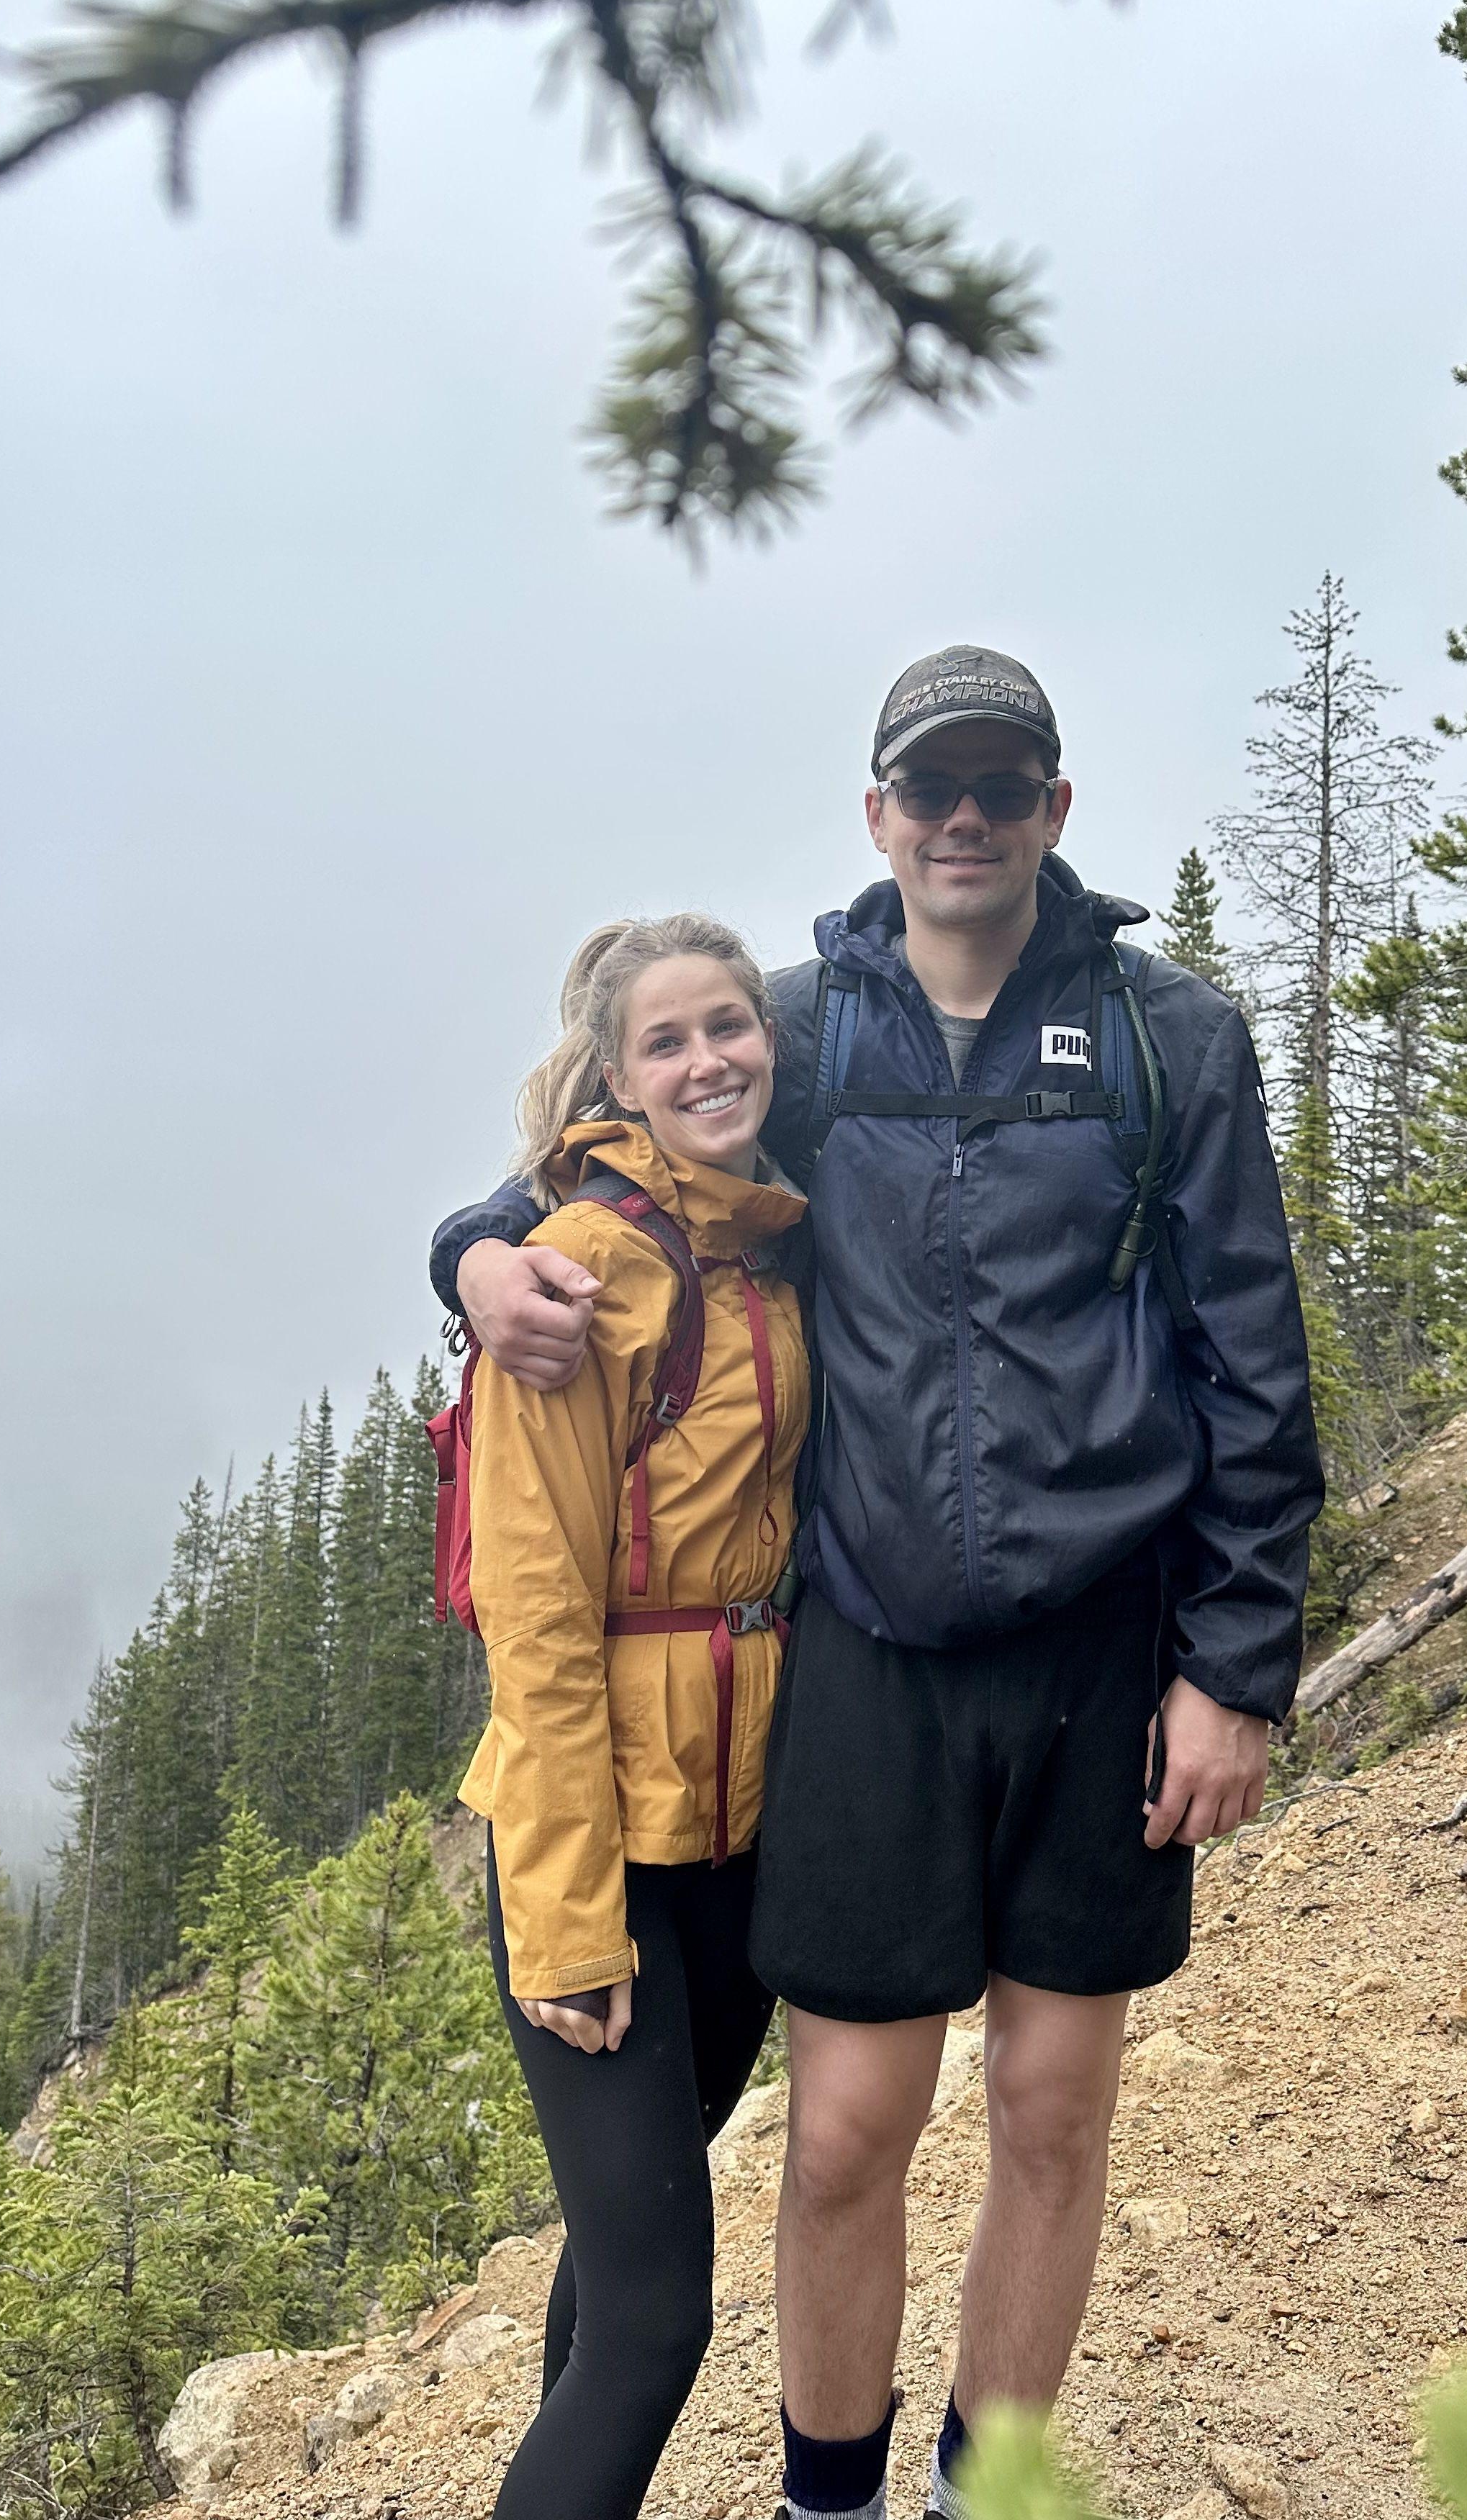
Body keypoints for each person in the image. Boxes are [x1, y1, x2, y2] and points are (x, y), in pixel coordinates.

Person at [433, 648, 1325, 2520]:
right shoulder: (803, 1026)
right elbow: (614, 1142)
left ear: (1056, 811)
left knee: (1051, 2114)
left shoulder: (1172, 1038)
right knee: (843, 2137)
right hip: (868, 1663)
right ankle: (830, 2497)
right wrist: (471, 1259)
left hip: (1106, 1661)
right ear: (881, 819)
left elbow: (1255, 1355)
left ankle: (982, 2491)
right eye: (936, 788)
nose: (970, 817)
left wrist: (1235, 1665)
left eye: (1006, 784)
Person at [453, 912, 811, 2520]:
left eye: (727, 1025)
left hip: (736, 1839)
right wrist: (566, 1917)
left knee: (617, 2286)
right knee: (662, 2317)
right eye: (666, 1042)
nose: (707, 1060)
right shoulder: (579, 1272)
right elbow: (535, 1623)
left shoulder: (767, 1237)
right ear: (617, 1078)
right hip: (595, 1851)